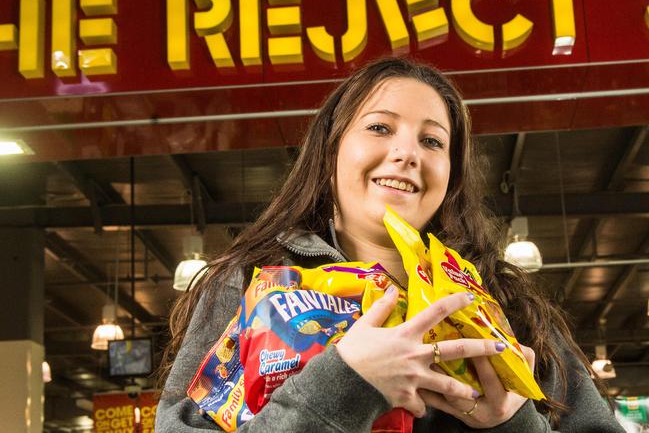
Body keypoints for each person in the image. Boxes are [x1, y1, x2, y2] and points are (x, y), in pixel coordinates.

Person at [156, 57, 624, 432]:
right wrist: (346, 382)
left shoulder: (500, 300)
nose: (408, 153)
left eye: (432, 141)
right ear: (331, 149)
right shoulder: (247, 281)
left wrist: (512, 424)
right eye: (380, 128)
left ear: (451, 175)